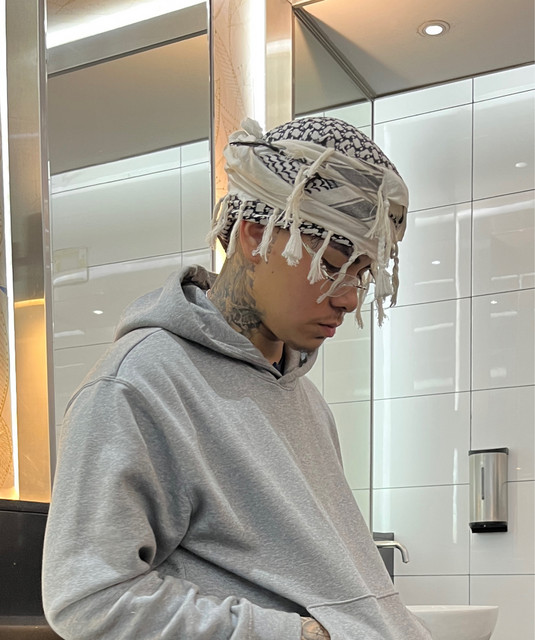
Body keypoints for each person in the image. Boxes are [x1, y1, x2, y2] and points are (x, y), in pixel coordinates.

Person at [42, 117, 432, 640]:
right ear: (254, 233)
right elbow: (91, 600)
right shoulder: (137, 386)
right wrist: (297, 636)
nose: (347, 298)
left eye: (361, 275)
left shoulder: (306, 401)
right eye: (333, 264)